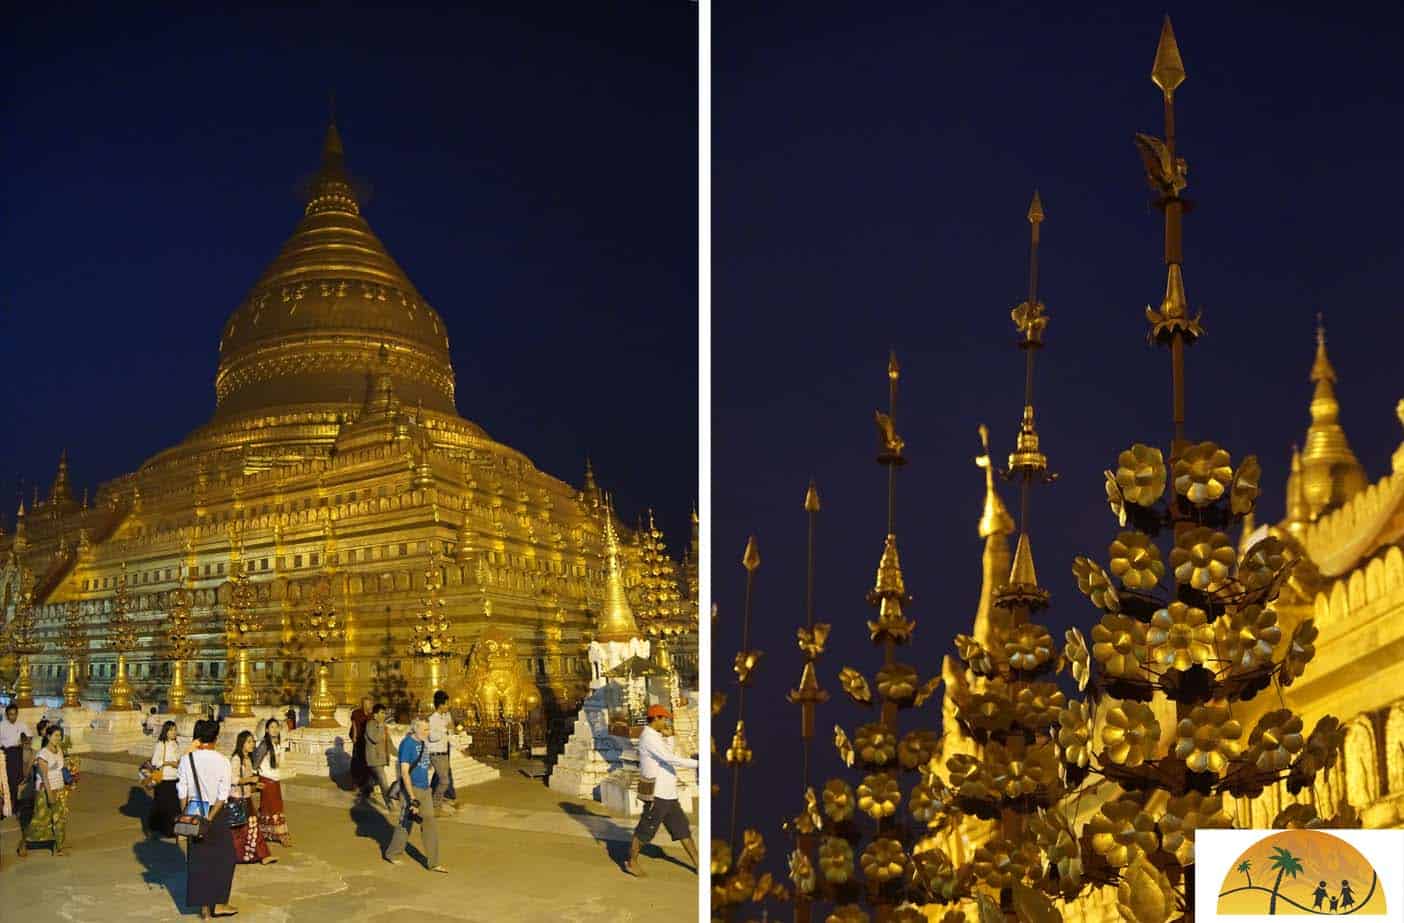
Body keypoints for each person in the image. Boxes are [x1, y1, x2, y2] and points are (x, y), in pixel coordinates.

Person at [624, 705, 699, 877]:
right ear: (656, 718)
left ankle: (698, 864)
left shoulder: (657, 737)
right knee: (645, 831)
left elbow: (668, 753)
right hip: (657, 794)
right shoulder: (649, 738)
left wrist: (670, 737)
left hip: (669, 793)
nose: (666, 722)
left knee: (682, 830)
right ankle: (631, 861)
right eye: (664, 719)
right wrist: (698, 764)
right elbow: (669, 758)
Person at [178, 719, 238, 919]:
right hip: (215, 812)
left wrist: (187, 816)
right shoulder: (222, 760)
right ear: (216, 737)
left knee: (198, 859)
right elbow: (223, 794)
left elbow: (182, 790)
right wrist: (210, 818)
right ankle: (219, 903)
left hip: (194, 810)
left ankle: (203, 907)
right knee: (225, 857)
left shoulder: (187, 759)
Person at [384, 717, 445, 872]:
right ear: (415, 729)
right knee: (406, 823)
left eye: (428, 729)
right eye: (425, 729)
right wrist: (412, 798)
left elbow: (424, 764)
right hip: (411, 790)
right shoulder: (407, 744)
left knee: (429, 823)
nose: (428, 732)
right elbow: (404, 772)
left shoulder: (424, 743)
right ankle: (392, 853)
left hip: (425, 790)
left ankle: (434, 862)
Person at [18, 724, 73, 858]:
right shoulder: (43, 754)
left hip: (59, 788)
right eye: (55, 735)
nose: (58, 738)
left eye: (60, 736)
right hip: (45, 791)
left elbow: (60, 768)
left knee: (60, 819)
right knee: (40, 820)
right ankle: (24, 843)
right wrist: (50, 796)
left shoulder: (58, 749)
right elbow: (45, 777)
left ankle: (59, 847)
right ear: (48, 736)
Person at [229, 731, 276, 866]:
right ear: (241, 743)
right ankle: (250, 855)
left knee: (253, 828)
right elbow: (233, 779)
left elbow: (246, 781)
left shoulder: (248, 759)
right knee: (238, 830)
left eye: (253, 742)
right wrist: (250, 779)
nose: (252, 745)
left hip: (247, 797)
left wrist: (255, 785)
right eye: (249, 742)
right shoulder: (236, 759)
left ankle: (263, 855)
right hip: (237, 798)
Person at [252, 718, 293, 847]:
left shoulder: (277, 744)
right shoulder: (264, 745)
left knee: (275, 806)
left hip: (275, 779)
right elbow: (255, 763)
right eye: (272, 727)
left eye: (276, 727)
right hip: (267, 779)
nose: (274, 730)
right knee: (270, 807)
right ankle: (280, 834)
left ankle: (269, 833)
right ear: (266, 730)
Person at [150, 721, 184, 838]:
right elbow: (154, 762)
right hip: (164, 778)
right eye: (171, 730)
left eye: (175, 729)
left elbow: (179, 758)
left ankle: (173, 828)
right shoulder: (161, 744)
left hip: (175, 777)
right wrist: (168, 763)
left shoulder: (176, 744)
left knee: (174, 806)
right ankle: (165, 829)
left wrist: (178, 763)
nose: (174, 732)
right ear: (166, 731)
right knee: (165, 805)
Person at [427, 690, 455, 815]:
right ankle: (435, 807)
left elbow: (448, 736)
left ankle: (436, 805)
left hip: (444, 753)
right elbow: (432, 737)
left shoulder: (444, 717)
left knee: (444, 780)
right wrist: (445, 729)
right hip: (436, 754)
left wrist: (459, 745)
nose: (448, 706)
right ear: (441, 704)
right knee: (444, 781)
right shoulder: (433, 719)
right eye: (446, 703)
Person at [363, 704, 396, 809]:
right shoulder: (370, 725)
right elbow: (375, 738)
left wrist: (400, 754)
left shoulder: (384, 727)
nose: (384, 715)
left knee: (373, 780)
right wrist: (381, 726)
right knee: (383, 780)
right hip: (374, 758)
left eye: (384, 713)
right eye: (382, 713)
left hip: (382, 758)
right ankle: (389, 803)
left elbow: (389, 743)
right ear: (375, 714)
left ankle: (365, 791)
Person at [0, 704, 29, 816]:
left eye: (15, 714)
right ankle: (10, 806)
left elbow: (28, 738)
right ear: (7, 715)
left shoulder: (22, 725)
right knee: (10, 780)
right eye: (10, 714)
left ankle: (17, 805)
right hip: (7, 754)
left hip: (19, 752)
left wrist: (24, 741)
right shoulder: (1, 726)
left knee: (19, 778)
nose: (13, 717)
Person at [349, 695, 372, 794]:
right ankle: (356, 784)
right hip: (358, 740)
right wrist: (354, 737)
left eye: (368, 703)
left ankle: (366, 785)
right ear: (362, 704)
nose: (366, 705)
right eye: (365, 703)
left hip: (368, 742)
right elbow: (354, 725)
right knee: (357, 762)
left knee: (367, 763)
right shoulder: (356, 713)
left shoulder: (372, 715)